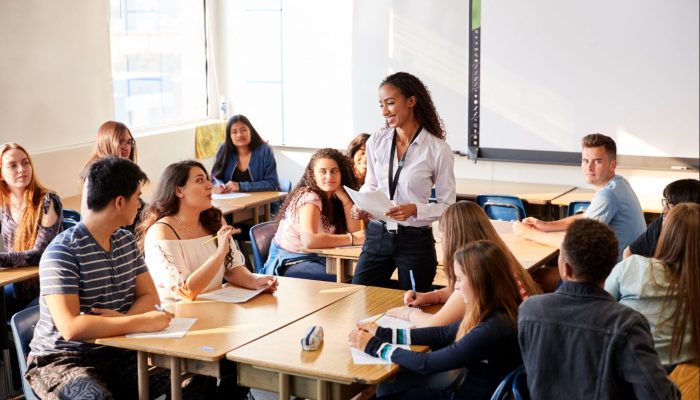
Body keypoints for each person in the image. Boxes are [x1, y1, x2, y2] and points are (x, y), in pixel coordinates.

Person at [25, 156, 173, 399]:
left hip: (118, 349)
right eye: (137, 197)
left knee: (191, 379)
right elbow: (71, 327)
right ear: (119, 202)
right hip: (61, 360)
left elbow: (149, 296)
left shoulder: (125, 241)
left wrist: (122, 319)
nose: (140, 205)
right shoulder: (62, 252)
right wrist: (141, 321)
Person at [518, 219, 679, 399]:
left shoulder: (528, 311)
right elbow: (660, 396)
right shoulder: (627, 323)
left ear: (565, 268)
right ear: (610, 269)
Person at [349, 241, 523, 400]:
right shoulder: (496, 312)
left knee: (388, 390)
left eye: (460, 279)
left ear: (481, 282)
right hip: (466, 389)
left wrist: (374, 346)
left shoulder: (492, 328)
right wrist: (383, 333)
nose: (456, 286)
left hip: (461, 395)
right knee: (389, 385)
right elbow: (442, 333)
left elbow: (427, 364)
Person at [351, 72, 456, 291]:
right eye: (381, 105)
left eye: (390, 103)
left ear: (411, 101)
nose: (384, 111)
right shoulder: (376, 142)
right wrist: (361, 204)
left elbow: (448, 206)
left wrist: (415, 210)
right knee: (360, 298)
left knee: (414, 307)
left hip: (414, 241)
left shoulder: (437, 149)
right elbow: (371, 184)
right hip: (378, 236)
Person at [138, 160, 278, 305]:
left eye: (208, 179)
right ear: (179, 191)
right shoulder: (161, 231)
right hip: (177, 314)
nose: (210, 185)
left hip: (212, 305)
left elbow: (232, 268)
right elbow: (186, 291)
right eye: (200, 180)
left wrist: (257, 282)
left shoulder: (215, 220)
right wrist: (219, 253)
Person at [385, 201, 540, 327]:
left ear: (453, 239)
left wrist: (410, 313)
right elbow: (457, 292)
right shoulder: (493, 258)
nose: (442, 242)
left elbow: (432, 324)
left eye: (442, 237)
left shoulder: (475, 274)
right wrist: (429, 297)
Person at [514, 133, 645, 260]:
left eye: (597, 161)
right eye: (585, 161)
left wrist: (529, 233)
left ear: (612, 165)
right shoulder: (619, 184)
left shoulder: (608, 195)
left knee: (532, 278)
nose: (589, 167)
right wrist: (546, 225)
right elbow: (587, 217)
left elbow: (576, 246)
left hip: (613, 276)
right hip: (625, 269)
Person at [605, 203, 700, 369]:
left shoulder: (633, 266)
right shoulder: (694, 282)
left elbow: (598, 309)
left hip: (627, 369)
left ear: (665, 235)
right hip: (683, 376)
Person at [263, 148, 364, 281]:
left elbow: (356, 231)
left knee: (361, 272)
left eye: (334, 171)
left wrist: (345, 198)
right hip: (291, 261)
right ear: (313, 175)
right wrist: (351, 238)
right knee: (347, 276)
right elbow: (310, 240)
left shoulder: (335, 196)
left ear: (342, 173)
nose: (329, 177)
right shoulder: (310, 196)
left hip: (318, 257)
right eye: (323, 172)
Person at [0, 143, 63, 316]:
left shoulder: (48, 201)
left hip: (48, 290)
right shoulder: (4, 205)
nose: (22, 169)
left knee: (15, 318)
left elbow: (39, 255)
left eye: (25, 162)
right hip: (18, 287)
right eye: (13, 165)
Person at [80, 120, 144, 232]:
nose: (127, 147)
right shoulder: (99, 175)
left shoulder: (123, 171)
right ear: (107, 143)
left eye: (129, 142)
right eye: (121, 142)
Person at [624, 178, 700, 258]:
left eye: (670, 205)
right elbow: (629, 252)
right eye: (666, 203)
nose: (663, 210)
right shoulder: (660, 223)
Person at [211, 114, 280, 194]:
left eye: (243, 130)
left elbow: (272, 184)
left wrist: (240, 186)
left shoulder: (264, 150)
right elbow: (214, 177)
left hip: (262, 204)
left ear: (250, 131)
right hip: (231, 203)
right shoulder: (223, 149)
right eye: (234, 132)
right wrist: (219, 185)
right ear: (229, 136)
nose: (239, 135)